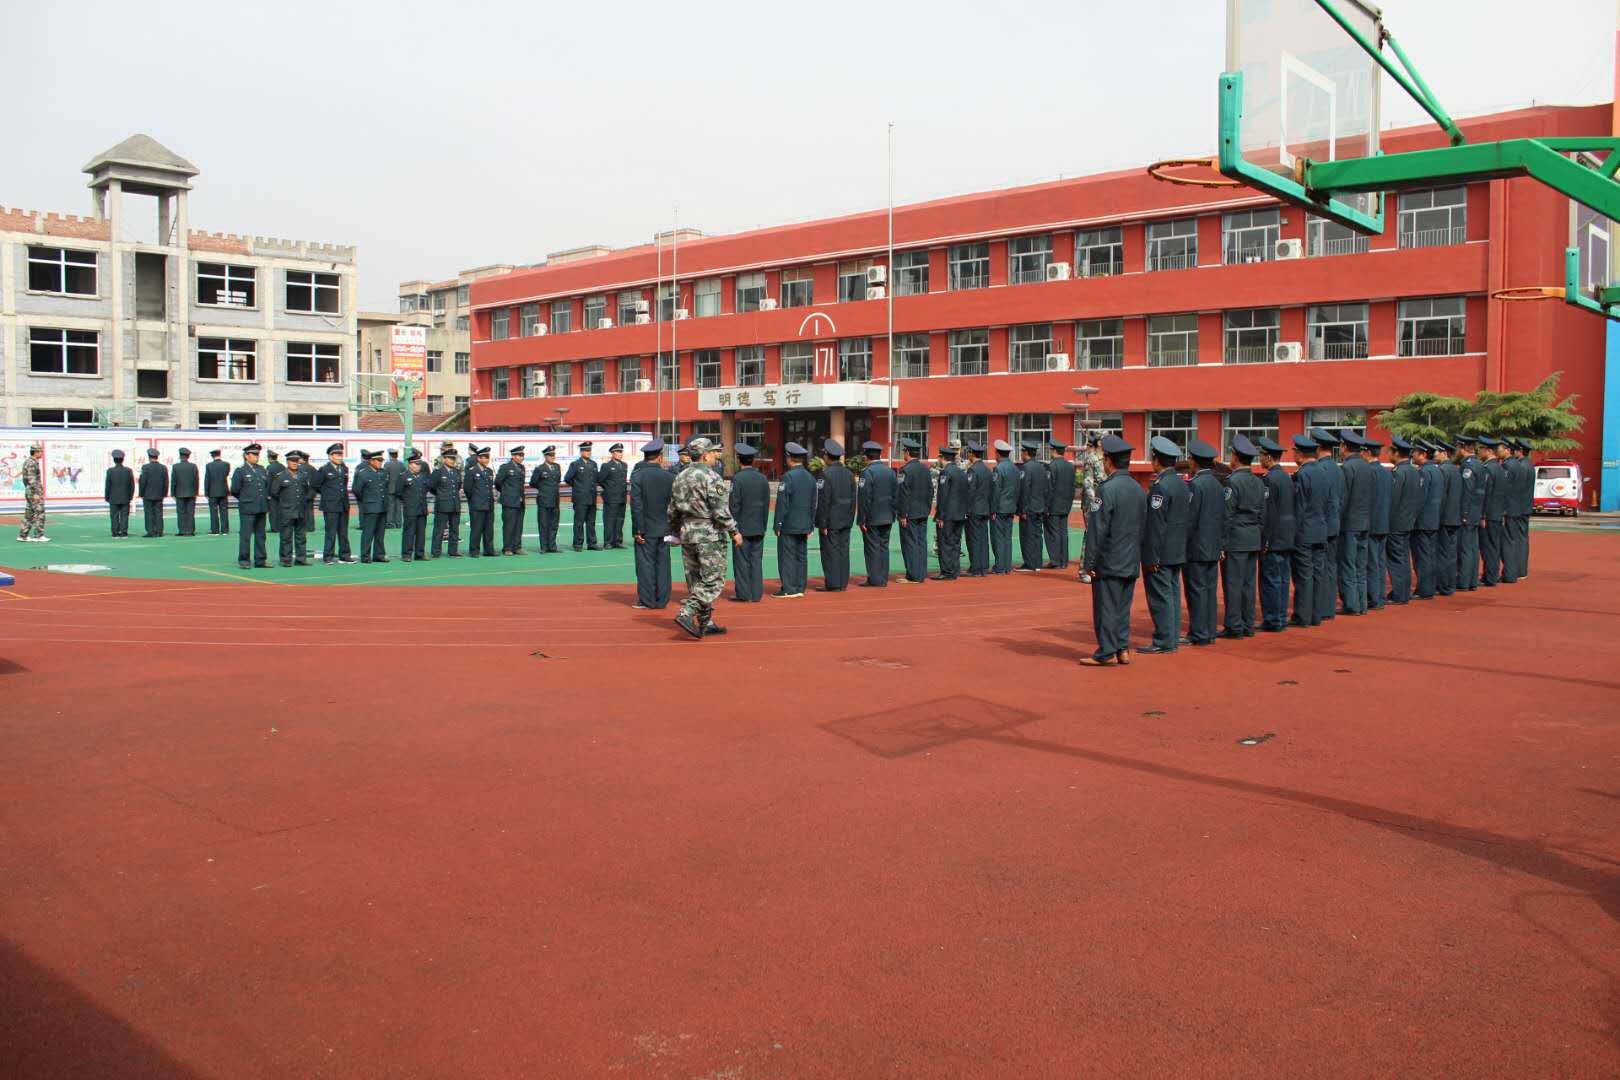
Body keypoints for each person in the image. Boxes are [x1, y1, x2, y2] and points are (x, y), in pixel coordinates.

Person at [669, 437, 743, 639]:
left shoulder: (680, 477)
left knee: (696, 579)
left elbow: (672, 510)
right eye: (713, 453)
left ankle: (705, 622)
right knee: (713, 579)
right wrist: (734, 531)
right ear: (704, 455)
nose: (715, 456)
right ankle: (687, 612)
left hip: (688, 533)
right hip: (708, 533)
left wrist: (676, 532)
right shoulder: (711, 477)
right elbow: (720, 510)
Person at [1080, 435, 1144, 667]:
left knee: (1106, 608)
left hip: (1109, 559)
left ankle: (1106, 652)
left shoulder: (1106, 490)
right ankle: (1122, 648)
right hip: (1130, 558)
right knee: (1122, 609)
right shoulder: (1138, 489)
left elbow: (1097, 530)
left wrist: (1090, 563)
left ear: (1108, 461)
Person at [1140, 435, 1189, 654]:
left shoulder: (1160, 487)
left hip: (1162, 552)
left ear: (1156, 459)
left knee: (1160, 596)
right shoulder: (1181, 484)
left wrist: (1152, 556)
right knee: (1173, 594)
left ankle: (1164, 640)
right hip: (1177, 549)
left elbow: (1156, 526)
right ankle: (1173, 635)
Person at [1221, 435, 1265, 637]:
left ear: (1235, 457)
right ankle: (1248, 624)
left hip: (1236, 538)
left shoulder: (1232, 482)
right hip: (1253, 536)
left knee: (1233, 584)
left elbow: (1227, 515)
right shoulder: (1258, 482)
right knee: (1248, 584)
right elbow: (1263, 513)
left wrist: (1222, 542)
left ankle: (1234, 625)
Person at [1183, 439, 1223, 646]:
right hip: (1212, 545)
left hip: (1196, 547)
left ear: (1194, 461)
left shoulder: (1195, 485)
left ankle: (1198, 633)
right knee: (1209, 590)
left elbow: (1190, 520)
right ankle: (1208, 631)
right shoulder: (1217, 484)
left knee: (1196, 591)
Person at [631, 440, 678, 609]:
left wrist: (638, 530)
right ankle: (662, 599)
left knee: (645, 565)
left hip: (646, 529)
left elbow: (637, 506)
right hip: (665, 529)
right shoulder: (671, 477)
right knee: (663, 565)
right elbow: (675, 507)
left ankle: (647, 600)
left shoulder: (638, 476)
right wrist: (674, 531)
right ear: (659, 458)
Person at [1255, 437, 1296, 632]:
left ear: (1269, 457)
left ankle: (1273, 619)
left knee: (1271, 580)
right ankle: (1280, 616)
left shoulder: (1269, 480)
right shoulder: (1287, 477)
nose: (1259, 459)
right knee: (1283, 579)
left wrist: (1265, 540)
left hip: (1274, 537)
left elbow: (1268, 513)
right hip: (1287, 536)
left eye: (1261, 455)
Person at [1308, 428, 1345, 623]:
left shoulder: (1320, 469)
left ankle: (1320, 607)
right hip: (1334, 522)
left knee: (1319, 569)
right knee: (1330, 567)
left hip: (1320, 524)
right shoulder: (1338, 468)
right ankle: (1328, 607)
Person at [1289, 435, 1326, 627]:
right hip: (1320, 529)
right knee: (1317, 574)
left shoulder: (1303, 474)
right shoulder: (1323, 472)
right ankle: (1315, 614)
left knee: (1303, 575)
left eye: (1295, 451)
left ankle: (1302, 616)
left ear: (1301, 454)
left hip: (1304, 532)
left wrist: (1292, 533)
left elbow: (1299, 508)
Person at [726, 442, 770, 602]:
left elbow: (734, 505)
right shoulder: (762, 478)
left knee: (742, 562)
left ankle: (744, 594)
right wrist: (763, 525)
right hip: (759, 526)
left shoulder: (738, 479)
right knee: (756, 561)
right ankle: (756, 593)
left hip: (742, 527)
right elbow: (766, 505)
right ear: (753, 460)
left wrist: (733, 528)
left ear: (739, 460)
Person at [1333, 430, 1370, 616]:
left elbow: (1342, 498)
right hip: (1364, 521)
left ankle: (1351, 604)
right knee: (1360, 565)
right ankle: (1362, 603)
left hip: (1349, 523)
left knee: (1348, 564)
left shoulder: (1347, 468)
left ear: (1344, 446)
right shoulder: (1367, 466)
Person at [773, 441, 815, 597]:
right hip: (804, 524)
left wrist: (778, 524)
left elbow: (782, 503)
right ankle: (799, 587)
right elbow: (813, 503)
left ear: (789, 458)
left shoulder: (787, 477)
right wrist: (811, 524)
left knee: (787, 557)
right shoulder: (811, 477)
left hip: (789, 525)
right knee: (801, 557)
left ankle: (788, 588)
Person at [816, 439, 857, 591]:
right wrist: (850, 519)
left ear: (827, 456)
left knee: (830, 552)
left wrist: (822, 523)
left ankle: (833, 583)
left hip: (831, 521)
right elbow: (853, 499)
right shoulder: (849, 474)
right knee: (843, 551)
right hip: (846, 520)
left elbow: (823, 501)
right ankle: (842, 582)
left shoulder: (825, 475)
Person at [1386, 437, 1421, 604]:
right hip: (1408, 520)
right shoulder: (1414, 471)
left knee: (1396, 559)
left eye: (1391, 451)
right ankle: (1403, 591)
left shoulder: (1398, 472)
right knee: (1404, 558)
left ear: (1397, 453)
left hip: (1396, 522)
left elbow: (1393, 500)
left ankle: (1400, 593)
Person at [857, 440, 896, 587]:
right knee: (884, 547)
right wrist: (893, 514)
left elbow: (864, 498)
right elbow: (895, 495)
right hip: (887, 516)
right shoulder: (890, 471)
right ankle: (883, 577)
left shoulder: (867, 473)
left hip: (872, 518)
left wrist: (862, 519)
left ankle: (875, 579)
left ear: (866, 456)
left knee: (872, 548)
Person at [896, 438, 932, 583]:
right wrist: (927, 508)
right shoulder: (925, 469)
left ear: (908, 452)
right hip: (923, 512)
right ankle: (921, 572)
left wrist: (902, 514)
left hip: (909, 513)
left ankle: (913, 574)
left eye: (904, 451)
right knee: (921, 542)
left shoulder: (905, 470)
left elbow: (903, 493)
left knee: (909, 543)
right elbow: (930, 491)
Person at [270, 450, 314, 566]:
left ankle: (301, 558)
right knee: (286, 537)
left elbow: (308, 490)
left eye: (296, 461)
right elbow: (274, 492)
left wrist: (304, 501)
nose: (295, 463)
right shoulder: (280, 476)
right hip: (286, 511)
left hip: (300, 510)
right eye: (292, 461)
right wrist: (284, 503)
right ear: (287, 462)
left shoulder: (303, 475)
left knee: (301, 537)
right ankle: (286, 559)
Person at [230, 443, 271, 569]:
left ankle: (260, 560)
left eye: (257, 454)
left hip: (261, 507)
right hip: (248, 507)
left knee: (261, 535)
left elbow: (266, 487)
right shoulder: (240, 471)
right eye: (253, 454)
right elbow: (235, 490)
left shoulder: (262, 469)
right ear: (246, 456)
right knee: (246, 535)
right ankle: (244, 560)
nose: (256, 457)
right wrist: (246, 499)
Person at [1362, 437, 1392, 612]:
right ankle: (1379, 595)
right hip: (1383, 522)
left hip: (1372, 523)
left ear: (1367, 452)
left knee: (1372, 563)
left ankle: (1374, 597)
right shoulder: (1385, 472)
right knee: (1380, 562)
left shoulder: (1370, 472)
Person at [313, 443, 355, 565]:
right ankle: (328, 556)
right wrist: (327, 495)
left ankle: (345, 555)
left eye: (341, 454)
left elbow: (344, 485)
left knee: (343, 532)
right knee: (331, 532)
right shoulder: (324, 470)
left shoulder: (344, 468)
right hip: (330, 505)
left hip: (343, 504)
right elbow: (316, 485)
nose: (340, 457)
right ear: (330, 456)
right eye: (337, 455)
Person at [930, 444, 966, 581]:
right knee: (956, 542)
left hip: (948, 515)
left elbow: (943, 495)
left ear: (942, 457)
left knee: (944, 542)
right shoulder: (961, 472)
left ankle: (946, 571)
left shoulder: (946, 472)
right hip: (960, 514)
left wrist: (940, 516)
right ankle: (955, 569)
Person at [1412, 440, 1443, 599]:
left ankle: (1424, 589)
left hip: (1423, 520)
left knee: (1422, 556)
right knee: (1430, 555)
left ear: (1423, 455)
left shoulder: (1424, 472)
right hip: (1433, 519)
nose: (1413, 455)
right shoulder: (1437, 470)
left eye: (1415, 453)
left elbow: (1419, 498)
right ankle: (1429, 586)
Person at [1455, 434, 1486, 591]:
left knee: (1466, 547)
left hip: (1468, 511)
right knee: (1473, 547)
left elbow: (1467, 491)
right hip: (1476, 510)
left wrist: (1464, 512)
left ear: (1462, 448)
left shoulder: (1467, 466)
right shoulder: (1479, 464)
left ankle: (1464, 580)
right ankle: (1472, 580)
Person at [1043, 440, 1077, 569]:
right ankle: (1063, 561)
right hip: (1066, 504)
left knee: (1053, 533)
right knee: (1064, 532)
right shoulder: (1070, 466)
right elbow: (1073, 487)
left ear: (1054, 450)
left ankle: (1055, 560)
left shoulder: (1052, 466)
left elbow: (1049, 488)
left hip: (1053, 505)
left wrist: (1046, 506)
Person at [1016, 440, 1048, 572]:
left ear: (1026, 453)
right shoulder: (1041, 467)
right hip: (1040, 506)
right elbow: (1047, 488)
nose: (1021, 454)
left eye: (1022, 451)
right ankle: (1038, 562)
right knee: (1037, 535)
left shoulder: (1026, 468)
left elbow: (1024, 490)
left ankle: (1029, 563)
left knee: (1027, 536)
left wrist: (1022, 509)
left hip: (1029, 508)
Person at [353, 449, 391, 562]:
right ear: (371, 461)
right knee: (368, 533)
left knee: (380, 533)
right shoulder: (363, 473)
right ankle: (365, 556)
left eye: (381, 460)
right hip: (370, 507)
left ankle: (379, 555)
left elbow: (385, 488)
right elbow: (357, 490)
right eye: (378, 460)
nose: (380, 462)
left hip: (382, 506)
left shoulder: (383, 472)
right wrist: (366, 501)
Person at [1479, 436, 1507, 586]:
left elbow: (1486, 494)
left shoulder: (1488, 469)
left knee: (1488, 547)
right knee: (1494, 545)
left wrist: (1482, 515)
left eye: (1481, 449)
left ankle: (1490, 576)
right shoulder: (1500, 468)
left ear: (1488, 451)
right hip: (1497, 513)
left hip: (1489, 514)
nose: (1479, 452)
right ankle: (1492, 574)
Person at [1435, 439, 1462, 596]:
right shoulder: (1455, 469)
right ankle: (1449, 584)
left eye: (1437, 452)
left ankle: (1444, 585)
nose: (1434, 454)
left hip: (1444, 517)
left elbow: (1441, 496)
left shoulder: (1443, 470)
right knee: (1451, 553)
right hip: (1454, 516)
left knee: (1443, 553)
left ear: (1444, 453)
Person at [962, 441, 993, 577]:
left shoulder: (972, 470)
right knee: (983, 538)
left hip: (973, 509)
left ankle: (975, 567)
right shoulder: (987, 470)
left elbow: (970, 492)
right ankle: (983, 566)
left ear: (971, 454)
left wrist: (966, 510)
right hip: (984, 508)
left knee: (973, 539)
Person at [990, 440, 1019, 575]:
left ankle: (1000, 566)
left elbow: (996, 491)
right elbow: (1018, 489)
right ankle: (1007, 566)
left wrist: (993, 509)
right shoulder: (1015, 468)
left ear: (998, 453)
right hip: (1010, 507)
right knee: (1007, 537)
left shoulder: (999, 468)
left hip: (1000, 508)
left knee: (999, 538)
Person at [565, 442, 601, 551]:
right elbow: (568, 478)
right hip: (580, 498)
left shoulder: (594, 464)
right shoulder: (575, 464)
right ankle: (578, 544)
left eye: (589, 450)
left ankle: (592, 543)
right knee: (579, 522)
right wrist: (578, 487)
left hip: (591, 498)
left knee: (591, 522)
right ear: (581, 452)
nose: (588, 452)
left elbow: (595, 479)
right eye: (586, 450)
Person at [462, 445, 497, 557]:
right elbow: (468, 489)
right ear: (478, 458)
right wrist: (474, 501)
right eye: (484, 457)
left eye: (488, 457)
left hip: (489, 504)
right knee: (476, 529)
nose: (486, 459)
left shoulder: (489, 471)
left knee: (489, 529)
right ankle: (474, 550)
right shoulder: (472, 471)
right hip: (477, 504)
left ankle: (489, 550)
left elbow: (489, 488)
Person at [430, 446, 464, 558]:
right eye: (450, 458)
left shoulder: (456, 472)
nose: (452, 461)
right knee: (439, 529)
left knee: (454, 529)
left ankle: (453, 551)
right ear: (444, 459)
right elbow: (432, 487)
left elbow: (458, 486)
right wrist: (441, 495)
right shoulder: (438, 472)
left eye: (453, 458)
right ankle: (436, 551)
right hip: (443, 504)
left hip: (455, 504)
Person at [529, 446, 563, 553]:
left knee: (554, 524)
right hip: (544, 499)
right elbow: (533, 482)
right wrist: (543, 489)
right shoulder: (540, 469)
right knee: (544, 524)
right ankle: (544, 547)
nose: (553, 457)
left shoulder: (557, 467)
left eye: (554, 455)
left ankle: (552, 546)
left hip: (555, 499)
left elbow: (557, 480)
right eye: (550, 455)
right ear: (545, 456)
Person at [400, 450, 431, 562]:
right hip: (410, 509)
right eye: (416, 464)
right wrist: (408, 503)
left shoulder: (423, 476)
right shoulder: (403, 476)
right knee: (409, 532)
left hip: (422, 508)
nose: (418, 466)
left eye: (419, 464)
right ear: (410, 464)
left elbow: (427, 488)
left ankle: (420, 553)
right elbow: (399, 493)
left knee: (421, 533)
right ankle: (407, 554)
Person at [496, 446, 528, 555]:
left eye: (522, 455)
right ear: (513, 456)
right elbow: (498, 483)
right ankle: (508, 548)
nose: (521, 457)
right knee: (509, 525)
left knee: (519, 525)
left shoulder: (522, 468)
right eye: (519, 455)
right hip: (509, 501)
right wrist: (506, 493)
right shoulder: (505, 467)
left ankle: (517, 547)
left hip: (520, 501)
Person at [16, 444, 48, 542]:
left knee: (29, 514)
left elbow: (26, 480)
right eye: (40, 451)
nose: (41, 453)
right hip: (34, 492)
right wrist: (35, 493)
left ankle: (23, 535)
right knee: (39, 513)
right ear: (35, 452)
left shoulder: (30, 462)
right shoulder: (31, 462)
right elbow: (31, 479)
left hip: (30, 490)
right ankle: (38, 535)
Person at [599, 444, 629, 549]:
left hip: (621, 497)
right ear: (612, 453)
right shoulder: (606, 466)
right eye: (618, 452)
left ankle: (617, 541)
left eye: (621, 452)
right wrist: (609, 489)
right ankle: (608, 542)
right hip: (611, 497)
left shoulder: (624, 465)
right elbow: (600, 480)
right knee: (609, 520)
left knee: (620, 519)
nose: (620, 454)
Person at [138, 447, 168, 537]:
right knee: (159, 513)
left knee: (148, 513)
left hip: (148, 494)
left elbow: (143, 481)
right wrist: (164, 493)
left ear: (149, 457)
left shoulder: (145, 467)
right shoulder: (163, 468)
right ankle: (159, 531)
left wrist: (141, 493)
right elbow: (166, 481)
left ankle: (150, 531)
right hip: (159, 494)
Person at [104, 449, 135, 538]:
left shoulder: (110, 471)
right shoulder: (128, 471)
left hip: (113, 497)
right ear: (123, 459)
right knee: (124, 515)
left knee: (114, 516)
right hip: (125, 497)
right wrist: (130, 496)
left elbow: (108, 485)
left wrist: (107, 497)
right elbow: (131, 485)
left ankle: (115, 532)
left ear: (114, 460)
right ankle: (124, 532)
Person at [171, 447, 200, 536]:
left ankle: (182, 530)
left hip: (179, 493)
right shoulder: (193, 466)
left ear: (180, 456)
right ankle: (191, 530)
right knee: (191, 512)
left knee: (181, 513)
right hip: (191, 493)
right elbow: (196, 480)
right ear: (188, 456)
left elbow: (173, 481)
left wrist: (173, 493)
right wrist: (196, 492)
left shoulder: (176, 466)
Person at [204, 449, 231, 535]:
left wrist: (206, 492)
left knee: (213, 512)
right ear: (220, 455)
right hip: (223, 490)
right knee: (224, 511)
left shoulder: (209, 466)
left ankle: (215, 530)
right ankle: (225, 530)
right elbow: (226, 475)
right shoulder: (226, 465)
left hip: (212, 491)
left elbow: (207, 479)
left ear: (212, 456)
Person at [383, 448, 406, 529]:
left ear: (390, 455)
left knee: (390, 506)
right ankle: (399, 523)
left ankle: (390, 523)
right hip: (399, 489)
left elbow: (385, 477)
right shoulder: (402, 464)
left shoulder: (387, 465)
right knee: (398, 506)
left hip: (390, 488)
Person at [265, 449, 285, 535]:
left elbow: (268, 481)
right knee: (280, 510)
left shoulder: (270, 467)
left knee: (272, 511)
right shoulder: (282, 466)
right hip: (281, 492)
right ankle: (280, 526)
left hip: (272, 493)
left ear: (269, 458)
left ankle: (274, 527)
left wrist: (267, 494)